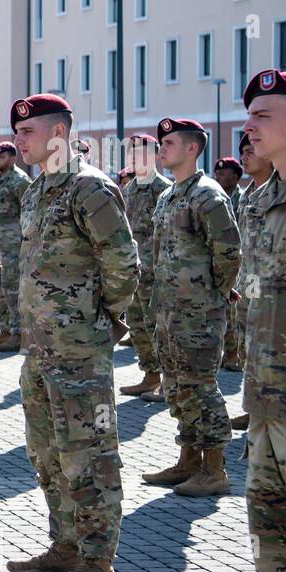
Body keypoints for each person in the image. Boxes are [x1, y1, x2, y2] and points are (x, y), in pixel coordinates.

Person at [6, 93, 138, 572]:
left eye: (28, 132)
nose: (20, 141)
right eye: (17, 132)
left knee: (91, 455)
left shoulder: (90, 188)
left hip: (79, 352)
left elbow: (123, 265)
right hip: (40, 351)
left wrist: (98, 319)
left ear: (58, 133)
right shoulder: (39, 190)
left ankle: (98, 563)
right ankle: (65, 547)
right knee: (47, 452)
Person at [212, 68, 286, 572]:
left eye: (265, 112)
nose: (250, 122)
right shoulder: (263, 200)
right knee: (272, 542)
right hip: (267, 402)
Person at [140, 119, 240, 497]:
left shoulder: (208, 195)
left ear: (192, 149)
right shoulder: (170, 195)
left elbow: (229, 252)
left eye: (168, 143)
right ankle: (188, 460)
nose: (161, 149)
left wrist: (216, 292)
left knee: (200, 387)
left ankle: (215, 469)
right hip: (168, 309)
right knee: (178, 387)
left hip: (198, 312)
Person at [228, 133, 276, 431]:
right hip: (247, 287)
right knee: (248, 351)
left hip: (272, 291)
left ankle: (270, 412)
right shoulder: (247, 195)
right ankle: (253, 406)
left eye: (251, 150)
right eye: (243, 151)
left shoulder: (281, 193)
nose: (245, 156)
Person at [118, 133, 171, 401]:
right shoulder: (129, 190)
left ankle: (168, 383)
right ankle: (150, 376)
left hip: (156, 272)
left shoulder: (163, 189)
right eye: (133, 153)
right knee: (137, 326)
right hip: (135, 271)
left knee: (157, 327)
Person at [0, 142, 30, 352]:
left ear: (13, 158)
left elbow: (30, 211)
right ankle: (5, 328)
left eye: (2, 156)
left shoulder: (19, 181)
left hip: (13, 246)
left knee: (13, 290)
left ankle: (19, 333)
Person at [212, 156, 247, 370]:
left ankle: (234, 353)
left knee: (234, 311)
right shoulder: (216, 199)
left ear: (235, 176)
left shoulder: (242, 198)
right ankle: (228, 350)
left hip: (239, 262)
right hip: (221, 260)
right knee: (223, 309)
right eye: (216, 173)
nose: (218, 176)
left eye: (223, 173)